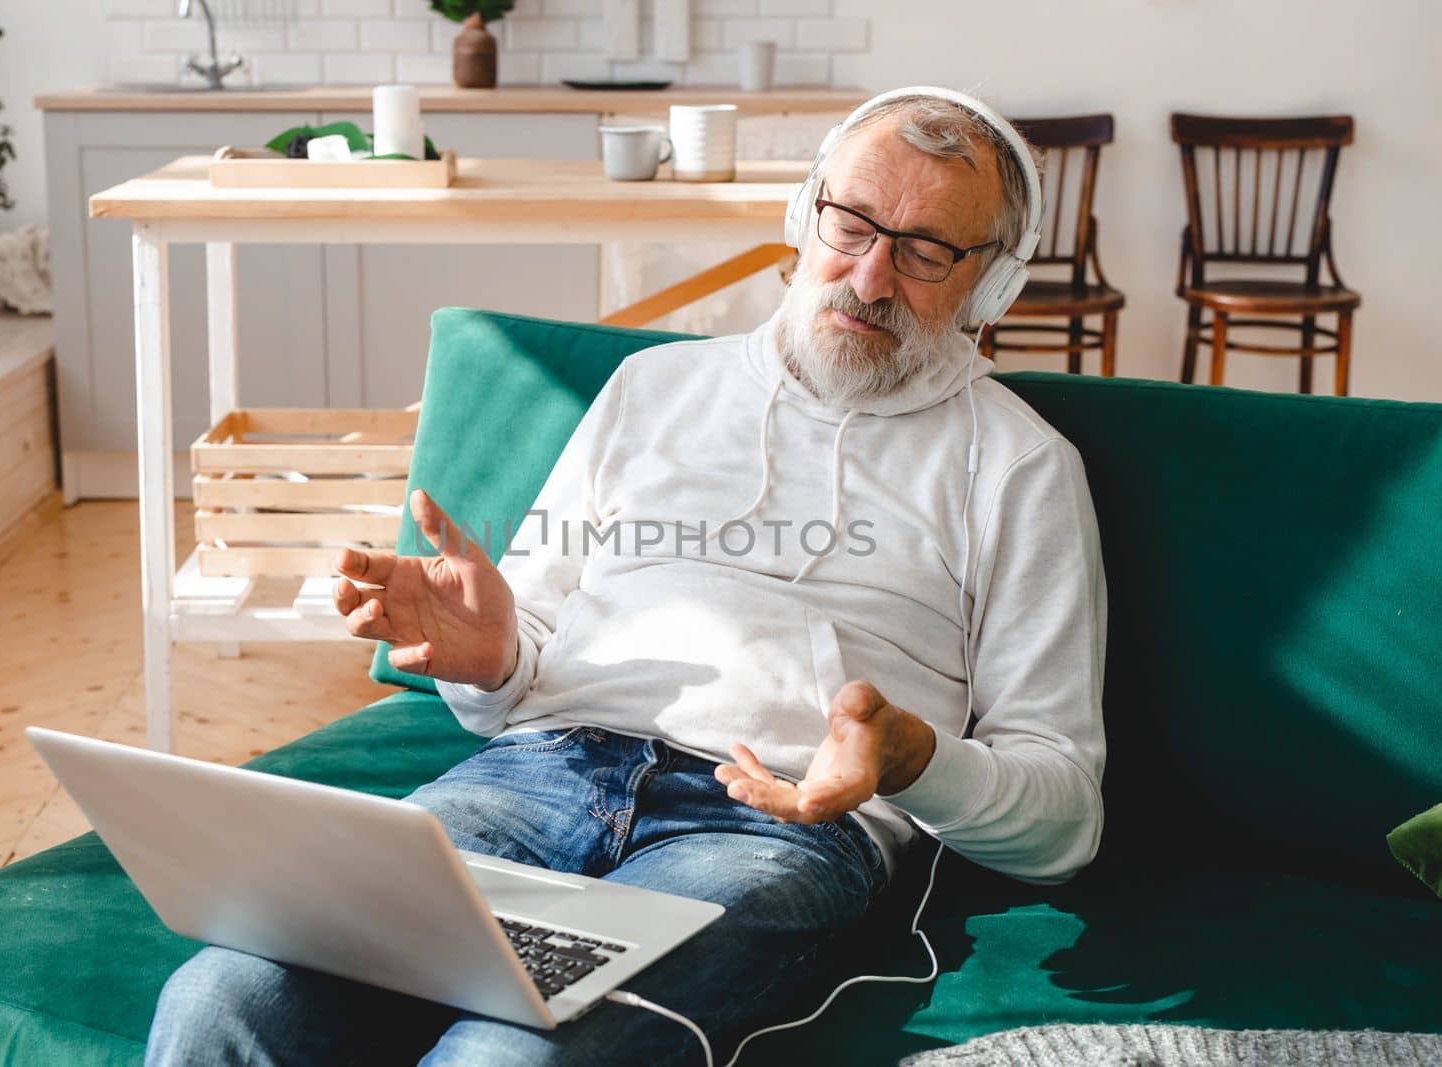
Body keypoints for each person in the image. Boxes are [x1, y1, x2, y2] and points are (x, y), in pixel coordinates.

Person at [145, 87, 1107, 1067]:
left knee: (508, 1055)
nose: (868, 275)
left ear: (989, 286)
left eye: (925, 250)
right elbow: (511, 689)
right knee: (225, 994)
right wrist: (492, 662)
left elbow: (1064, 817)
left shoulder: (1021, 469)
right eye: (851, 222)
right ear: (803, 211)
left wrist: (911, 757)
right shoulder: (651, 387)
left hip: (769, 828)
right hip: (536, 770)